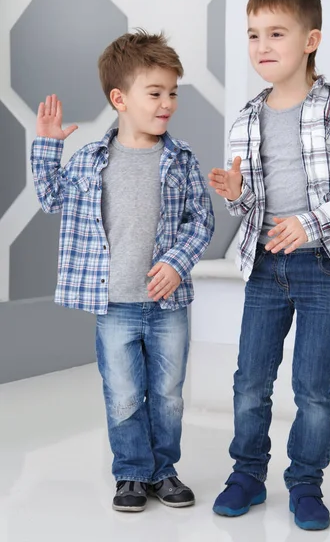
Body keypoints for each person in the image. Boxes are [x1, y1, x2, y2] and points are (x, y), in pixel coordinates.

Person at [208, 0, 330, 530]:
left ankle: (306, 482)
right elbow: (252, 207)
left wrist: (308, 225)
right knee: (251, 379)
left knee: (312, 385)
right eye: (254, 34)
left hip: (324, 266)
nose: (262, 45)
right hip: (264, 266)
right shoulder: (244, 118)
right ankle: (247, 473)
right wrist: (237, 195)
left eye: (276, 33)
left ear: (311, 39)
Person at [31, 30, 214, 513]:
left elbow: (202, 219)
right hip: (113, 306)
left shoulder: (182, 159)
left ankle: (164, 470)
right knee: (125, 394)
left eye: (172, 92)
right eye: (155, 93)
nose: (167, 103)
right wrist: (48, 147)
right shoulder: (92, 161)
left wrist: (176, 264)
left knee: (169, 395)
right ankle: (132, 473)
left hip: (167, 306)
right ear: (120, 98)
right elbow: (51, 199)